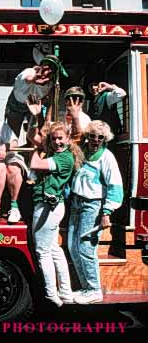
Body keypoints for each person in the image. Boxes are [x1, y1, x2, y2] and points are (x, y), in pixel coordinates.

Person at [28, 121, 84, 307]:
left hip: (48, 207)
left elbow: (35, 163)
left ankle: (52, 294)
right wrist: (36, 117)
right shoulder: (57, 153)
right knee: (54, 250)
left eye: (60, 138)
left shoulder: (64, 159)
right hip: (52, 206)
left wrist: (37, 147)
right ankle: (66, 294)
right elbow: (31, 136)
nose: (57, 142)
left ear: (68, 139)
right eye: (54, 139)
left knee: (42, 251)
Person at [68, 120, 124, 304]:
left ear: (105, 139)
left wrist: (107, 212)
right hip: (76, 202)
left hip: (93, 205)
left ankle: (94, 289)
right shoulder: (81, 151)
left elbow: (115, 186)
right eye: (92, 136)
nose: (95, 140)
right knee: (72, 246)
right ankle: (85, 288)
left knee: (85, 248)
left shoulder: (107, 157)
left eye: (100, 137)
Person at [4, 55, 64, 139]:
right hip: (17, 104)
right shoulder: (30, 71)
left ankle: (31, 149)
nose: (47, 72)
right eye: (45, 68)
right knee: (11, 135)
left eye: (51, 70)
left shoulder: (50, 84)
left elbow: (51, 101)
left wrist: (47, 120)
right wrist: (36, 77)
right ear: (40, 67)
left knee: (37, 134)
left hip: (34, 103)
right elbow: (28, 78)